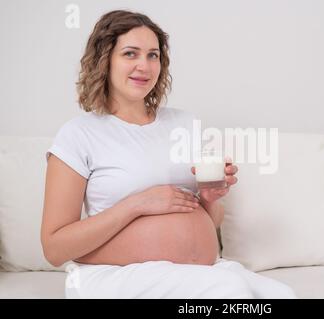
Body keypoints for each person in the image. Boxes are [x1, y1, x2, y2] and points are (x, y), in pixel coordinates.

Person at [41, 10, 296, 299]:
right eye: (130, 54)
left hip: (199, 269)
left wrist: (210, 199)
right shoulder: (78, 135)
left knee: (283, 295)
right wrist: (138, 204)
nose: (144, 65)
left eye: (153, 55)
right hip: (114, 275)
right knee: (230, 292)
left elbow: (206, 222)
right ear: (104, 60)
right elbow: (54, 247)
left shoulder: (184, 124)